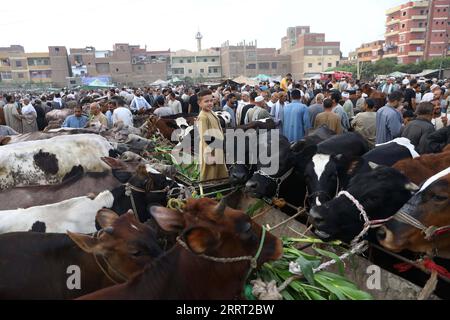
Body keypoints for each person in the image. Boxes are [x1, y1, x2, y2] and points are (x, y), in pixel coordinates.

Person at [196, 89, 229, 181]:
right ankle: (209, 192)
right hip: (210, 150)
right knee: (211, 174)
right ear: (200, 103)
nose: (210, 103)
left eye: (211, 100)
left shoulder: (211, 112)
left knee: (219, 172)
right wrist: (208, 155)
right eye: (206, 101)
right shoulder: (203, 117)